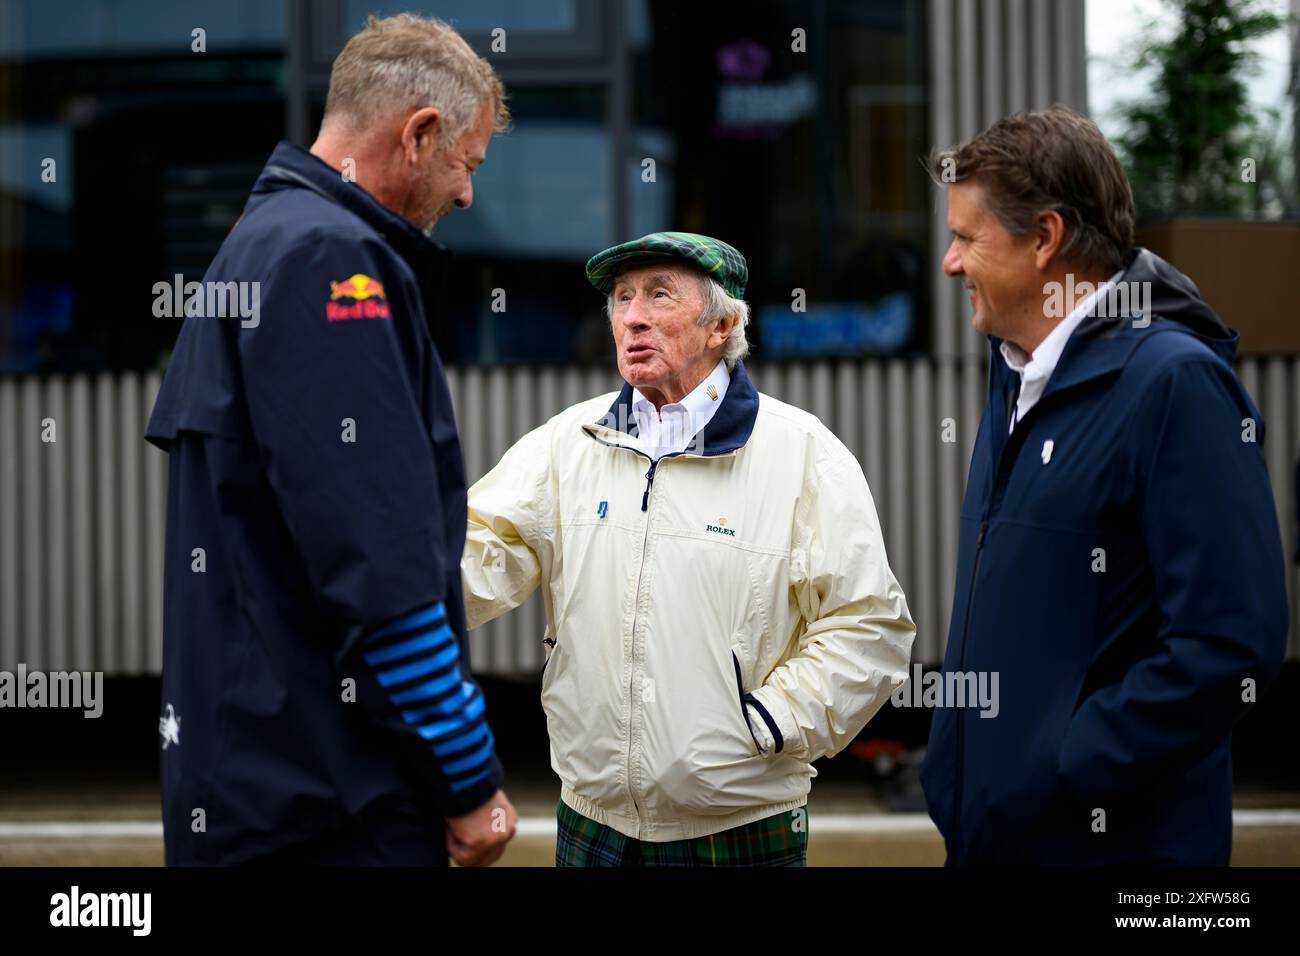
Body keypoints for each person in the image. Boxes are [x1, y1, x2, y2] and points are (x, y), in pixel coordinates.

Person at [145, 13, 517, 866]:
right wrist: (470, 777)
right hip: (327, 804)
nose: (466, 194)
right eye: (468, 162)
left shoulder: (253, 245)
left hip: (250, 787)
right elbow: (378, 571)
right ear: (421, 135)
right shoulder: (332, 265)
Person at [461, 231, 916, 866]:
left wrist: (768, 724)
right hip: (593, 820)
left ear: (721, 325)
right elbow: (480, 554)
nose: (633, 316)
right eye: (622, 298)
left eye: (659, 295)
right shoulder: (569, 441)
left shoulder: (803, 451)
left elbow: (869, 625)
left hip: (740, 824)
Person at [919, 106, 1288, 865]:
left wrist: (1072, 763)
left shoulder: (1175, 385)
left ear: (1046, 238)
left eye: (965, 237)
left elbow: (1230, 641)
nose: (950, 263)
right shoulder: (1016, 374)